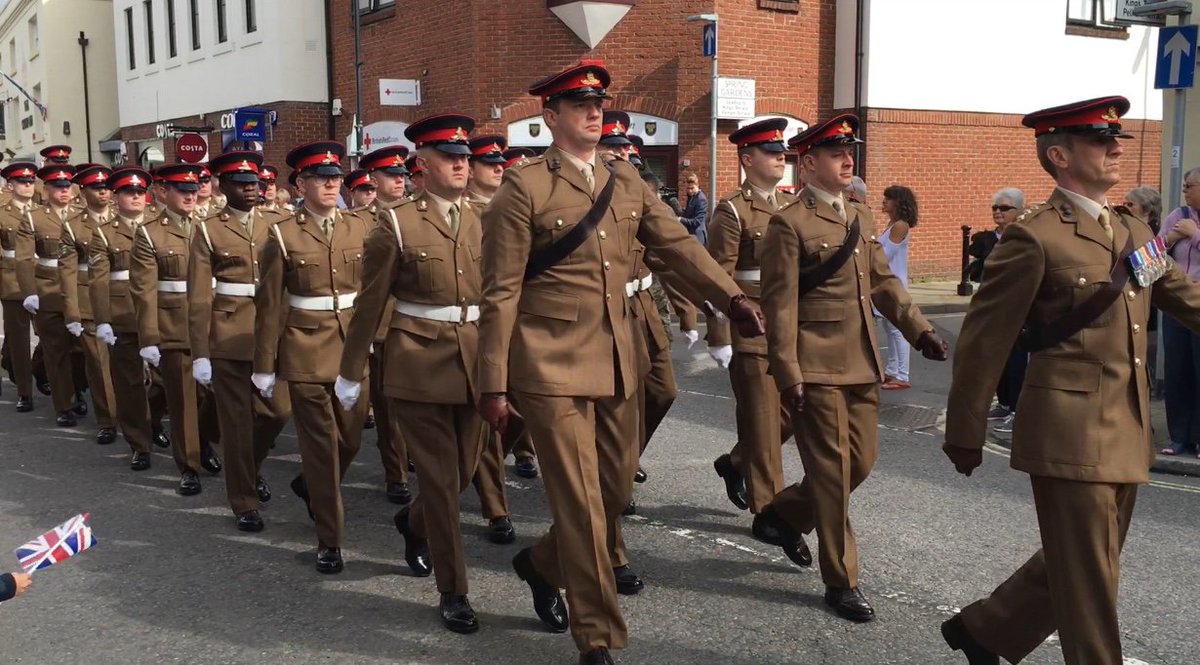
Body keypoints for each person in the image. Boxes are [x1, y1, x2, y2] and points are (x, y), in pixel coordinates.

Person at [474, 61, 765, 665]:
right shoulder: (522, 188)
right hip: (549, 365)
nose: (592, 109)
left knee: (609, 492)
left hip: (618, 357)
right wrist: (493, 383)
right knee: (580, 503)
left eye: (598, 101)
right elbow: (500, 292)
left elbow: (678, 246)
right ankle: (598, 635)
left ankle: (539, 563)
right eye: (578, 103)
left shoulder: (626, 179)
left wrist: (730, 298)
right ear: (550, 117)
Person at [941, 95, 1200, 665]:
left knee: (1086, 561)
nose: (1114, 149)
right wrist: (965, 427)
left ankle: (987, 631)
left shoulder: (1133, 230)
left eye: (1115, 141)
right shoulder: (1034, 237)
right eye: (1099, 141)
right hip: (1068, 427)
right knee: (1090, 581)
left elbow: (1182, 297)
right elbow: (986, 339)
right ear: (1059, 155)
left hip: (1125, 426)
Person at [757, 113, 948, 623]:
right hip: (815, 367)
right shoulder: (788, 223)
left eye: (850, 152)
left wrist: (920, 329)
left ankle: (783, 514)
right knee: (834, 474)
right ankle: (842, 581)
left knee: (859, 463)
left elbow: (884, 283)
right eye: (837, 153)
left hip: (863, 363)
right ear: (809, 162)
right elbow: (780, 307)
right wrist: (788, 372)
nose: (848, 160)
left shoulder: (860, 218)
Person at [338, 113, 489, 634]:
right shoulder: (396, 222)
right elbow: (370, 301)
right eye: (451, 158)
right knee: (442, 481)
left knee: (466, 472)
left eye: (466, 157)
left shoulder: (482, 218)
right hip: (418, 363)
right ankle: (454, 589)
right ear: (422, 165)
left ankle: (412, 521)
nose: (463, 166)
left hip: (473, 358)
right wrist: (351, 370)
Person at [253, 140, 372, 574]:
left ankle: (311, 486)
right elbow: (269, 304)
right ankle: (330, 537)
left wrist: (375, 338)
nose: (330, 184)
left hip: (352, 347)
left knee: (352, 440)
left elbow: (376, 292)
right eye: (321, 178)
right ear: (301, 183)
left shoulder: (360, 226)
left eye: (335, 177)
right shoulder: (283, 233)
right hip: (304, 349)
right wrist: (265, 366)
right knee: (320, 448)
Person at [189, 151, 292, 532]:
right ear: (222, 185)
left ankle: (249, 468)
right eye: (241, 183)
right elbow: (199, 296)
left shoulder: (279, 222)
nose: (251, 189)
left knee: (276, 412)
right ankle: (244, 500)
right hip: (229, 332)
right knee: (236, 422)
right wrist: (200, 352)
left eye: (255, 183)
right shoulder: (207, 229)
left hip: (272, 330)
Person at [706, 117, 797, 521]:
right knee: (763, 424)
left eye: (782, 153)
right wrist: (720, 335)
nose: (781, 159)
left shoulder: (792, 205)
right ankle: (772, 517)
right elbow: (718, 277)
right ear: (748, 159)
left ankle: (737, 461)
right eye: (772, 153)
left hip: (790, 329)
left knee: (792, 416)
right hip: (752, 330)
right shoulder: (732, 211)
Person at [130, 164, 215, 496]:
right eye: (183, 190)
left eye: (194, 190)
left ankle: (204, 442)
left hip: (209, 324)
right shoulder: (150, 233)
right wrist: (150, 337)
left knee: (213, 398)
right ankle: (189, 464)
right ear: (165, 191)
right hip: (174, 325)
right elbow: (143, 289)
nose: (191, 195)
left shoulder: (208, 228)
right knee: (181, 400)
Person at [463, 133, 525, 542]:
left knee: (523, 417)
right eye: (488, 162)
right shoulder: (460, 213)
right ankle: (495, 507)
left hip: (520, 325)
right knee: (484, 422)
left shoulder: (516, 208)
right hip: (472, 328)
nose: (498, 167)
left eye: (500, 161)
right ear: (469, 169)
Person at [90, 168, 163, 471]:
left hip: (160, 313)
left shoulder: (162, 228)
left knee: (165, 381)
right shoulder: (104, 233)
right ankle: (139, 443)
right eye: (128, 192)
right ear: (116, 198)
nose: (135, 196)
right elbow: (97, 280)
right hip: (123, 314)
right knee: (129, 383)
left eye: (139, 192)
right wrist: (103, 319)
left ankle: (154, 420)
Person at [355, 144, 414, 506]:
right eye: (391, 176)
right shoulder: (360, 221)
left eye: (402, 175)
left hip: (413, 324)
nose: (400, 182)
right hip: (379, 326)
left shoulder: (415, 215)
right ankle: (396, 472)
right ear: (372, 180)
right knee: (388, 405)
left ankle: (410, 455)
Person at [15, 164, 84, 426]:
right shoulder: (34, 218)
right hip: (49, 289)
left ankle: (77, 388)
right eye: (58, 186)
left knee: (80, 349)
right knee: (56, 351)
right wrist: (30, 292)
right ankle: (63, 404)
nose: (64, 191)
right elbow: (23, 258)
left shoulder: (81, 215)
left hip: (79, 289)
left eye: (67, 186)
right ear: (47, 189)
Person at [59, 165, 118, 445]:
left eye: (106, 186)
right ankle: (108, 419)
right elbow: (67, 271)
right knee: (98, 363)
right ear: (82, 192)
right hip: (88, 301)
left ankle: (142, 415)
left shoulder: (124, 218)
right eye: (96, 187)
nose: (104, 191)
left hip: (125, 298)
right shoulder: (73, 225)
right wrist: (72, 311)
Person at [1157, 168, 1200, 457]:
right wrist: (1172, 237)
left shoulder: (1191, 223)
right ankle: (1178, 437)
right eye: (1183, 185)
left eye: (1189, 186)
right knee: (1177, 370)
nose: (1184, 190)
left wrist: (1195, 235)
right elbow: (1154, 250)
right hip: (1176, 304)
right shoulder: (1178, 214)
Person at [0, 163, 41, 414]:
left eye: (30, 181)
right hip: (13, 279)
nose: (27, 186)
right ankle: (25, 392)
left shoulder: (43, 212)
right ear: (11, 185)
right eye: (22, 182)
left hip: (44, 278)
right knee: (19, 339)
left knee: (50, 337)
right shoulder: (2, 213)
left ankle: (44, 373)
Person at [878, 184, 918, 390]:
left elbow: (886, 255)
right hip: (887, 283)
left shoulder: (900, 225)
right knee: (889, 328)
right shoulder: (891, 223)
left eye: (888, 198)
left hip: (894, 284)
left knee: (897, 331)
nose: (884, 201)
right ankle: (893, 371)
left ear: (899, 203)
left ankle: (902, 375)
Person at [661, 170, 706, 346]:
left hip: (697, 237)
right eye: (688, 188)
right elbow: (688, 214)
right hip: (689, 235)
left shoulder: (701, 198)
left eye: (692, 188)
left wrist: (679, 219)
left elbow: (696, 221)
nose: (689, 191)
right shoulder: (692, 197)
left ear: (697, 185)